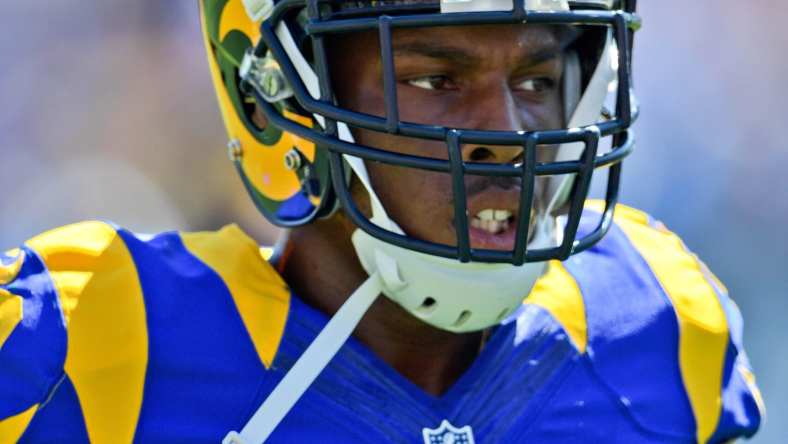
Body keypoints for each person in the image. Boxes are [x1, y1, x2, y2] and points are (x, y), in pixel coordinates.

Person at [0, 0, 764, 442]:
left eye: (536, 79)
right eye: (435, 78)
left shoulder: (659, 325)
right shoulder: (87, 346)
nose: (507, 132)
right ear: (277, 102)